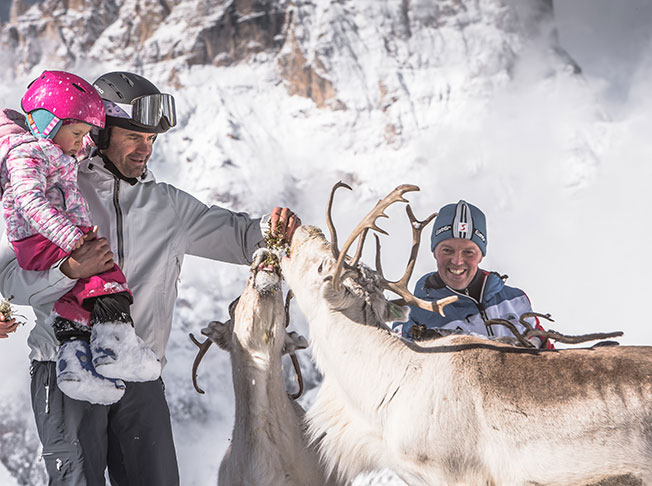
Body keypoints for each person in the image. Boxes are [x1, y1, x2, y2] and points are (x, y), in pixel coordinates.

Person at [0, 71, 301, 485]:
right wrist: (68, 270)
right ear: (100, 133)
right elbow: (10, 281)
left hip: (140, 374)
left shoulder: (168, 207)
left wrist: (281, 232)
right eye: (134, 136)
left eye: (152, 140)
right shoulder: (60, 187)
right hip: (64, 371)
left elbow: (241, 236)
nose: (146, 149)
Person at [0, 70, 160, 408]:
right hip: (43, 239)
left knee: (79, 295)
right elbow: (30, 201)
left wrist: (100, 132)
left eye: (84, 134)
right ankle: (115, 345)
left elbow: (81, 148)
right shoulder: (26, 155)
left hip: (53, 237)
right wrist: (71, 238)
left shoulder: (57, 149)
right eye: (76, 133)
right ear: (46, 123)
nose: (79, 141)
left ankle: (76, 363)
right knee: (105, 276)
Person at [397, 199, 551, 348]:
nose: (457, 261)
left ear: (481, 255)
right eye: (447, 250)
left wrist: (537, 342)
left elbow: (548, 354)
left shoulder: (515, 300)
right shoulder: (412, 315)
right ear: (434, 252)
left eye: (468, 252)